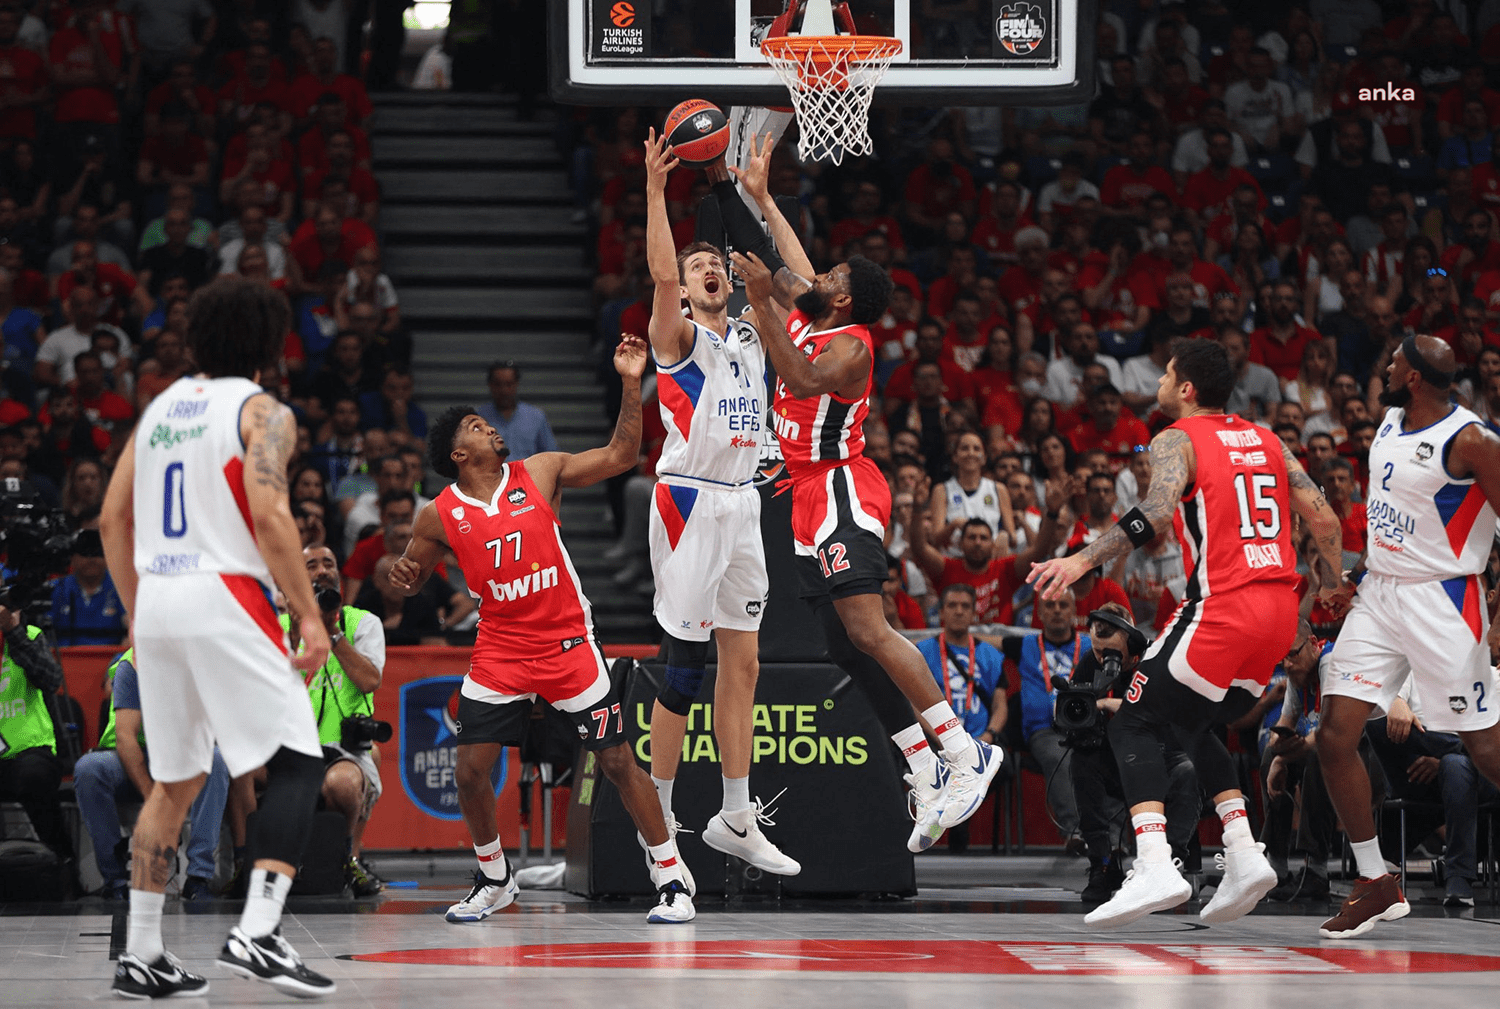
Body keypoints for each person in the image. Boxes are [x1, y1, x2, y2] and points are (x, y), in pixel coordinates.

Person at [1029, 338, 1344, 929]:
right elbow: (1323, 516)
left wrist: (1081, 561)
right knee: (1189, 721)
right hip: (1279, 612)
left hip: (1224, 606)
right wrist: (1331, 581)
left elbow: (1152, 512)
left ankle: (1152, 861)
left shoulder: (1179, 438)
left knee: (1133, 718)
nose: (1160, 382)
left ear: (1187, 388)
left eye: (1167, 373)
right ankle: (1246, 855)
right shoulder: (1269, 439)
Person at [390, 336, 698, 924]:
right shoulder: (437, 514)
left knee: (615, 760)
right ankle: (494, 878)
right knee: (470, 769)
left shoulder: (539, 470)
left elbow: (622, 456)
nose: (491, 431)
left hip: (568, 643)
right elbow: (413, 573)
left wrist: (632, 381)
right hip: (500, 649)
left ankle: (671, 876)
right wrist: (405, 577)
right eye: (478, 427)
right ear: (458, 452)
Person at [99, 277, 337, 998]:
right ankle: (258, 931)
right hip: (226, 593)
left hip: (160, 602)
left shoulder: (160, 408)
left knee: (176, 782)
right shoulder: (263, 410)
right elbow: (269, 514)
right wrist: (310, 612)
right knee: (298, 762)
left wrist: (142, 612)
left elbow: (113, 520)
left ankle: (141, 951)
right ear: (270, 347)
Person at [734, 243, 1004, 855]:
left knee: (871, 629)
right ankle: (924, 764)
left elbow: (800, 378)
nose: (815, 275)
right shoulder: (810, 314)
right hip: (804, 492)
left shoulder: (850, 345)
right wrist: (754, 190)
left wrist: (760, 303)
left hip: (842, 486)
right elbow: (790, 258)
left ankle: (966, 752)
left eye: (830, 275)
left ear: (845, 297)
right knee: (842, 644)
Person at [636, 130, 798, 877]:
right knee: (685, 667)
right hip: (688, 504)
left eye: (714, 265)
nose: (704, 271)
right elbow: (663, 277)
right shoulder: (674, 337)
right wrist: (655, 189)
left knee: (746, 662)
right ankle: (659, 817)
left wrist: (758, 200)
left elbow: (802, 283)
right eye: (696, 265)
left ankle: (735, 812)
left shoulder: (751, 336)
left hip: (744, 505)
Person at [1315, 335, 1500, 938]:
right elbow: (1389, 518)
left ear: (1415, 376)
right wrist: (1356, 577)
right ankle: (1376, 883)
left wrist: (1499, 623)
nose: (1385, 369)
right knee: (1335, 735)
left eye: (1392, 362)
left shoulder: (1471, 440)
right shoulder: (1391, 422)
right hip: (1381, 595)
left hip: (1444, 601)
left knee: (1486, 752)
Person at [1065, 603, 1198, 903]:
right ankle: (1101, 863)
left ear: (1131, 639)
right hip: (1112, 756)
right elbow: (1074, 712)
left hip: (1160, 756)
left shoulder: (1157, 659)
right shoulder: (1090, 662)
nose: (1103, 658)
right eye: (1098, 651)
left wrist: (1111, 704)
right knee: (1082, 763)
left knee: (1187, 771)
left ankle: (1167, 866)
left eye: (1111, 652)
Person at [74, 648, 232, 900]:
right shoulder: (133, 664)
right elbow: (125, 738)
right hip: (133, 756)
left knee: (217, 760)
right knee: (89, 769)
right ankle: (114, 880)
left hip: (180, 757)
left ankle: (198, 878)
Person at [283, 545, 387, 896]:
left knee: (343, 784)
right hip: (287, 747)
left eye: (329, 563)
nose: (322, 570)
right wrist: (297, 636)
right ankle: (243, 864)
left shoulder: (362, 623)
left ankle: (348, 860)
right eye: (311, 565)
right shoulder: (278, 626)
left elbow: (370, 680)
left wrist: (333, 634)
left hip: (342, 750)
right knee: (240, 777)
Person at [915, 583, 1007, 850]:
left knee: (990, 770)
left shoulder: (990, 655)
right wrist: (942, 739)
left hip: (979, 742)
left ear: (974, 614)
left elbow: (1001, 706)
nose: (958, 611)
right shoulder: (920, 653)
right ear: (941, 612)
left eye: (965, 606)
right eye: (952, 606)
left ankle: (939, 827)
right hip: (934, 743)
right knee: (945, 771)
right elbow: (913, 704)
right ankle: (953, 830)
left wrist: (988, 736)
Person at [0, 594, 70, 862]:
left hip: (31, 751)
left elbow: (51, 679)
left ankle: (62, 864)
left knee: (33, 778)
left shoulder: (29, 634)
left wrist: (13, 633)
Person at [475, 360, 559, 460]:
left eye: (509, 384)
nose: (504, 390)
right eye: (498, 384)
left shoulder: (536, 417)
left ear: (516, 384)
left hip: (529, 474)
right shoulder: (478, 418)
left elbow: (551, 455)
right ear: (490, 385)